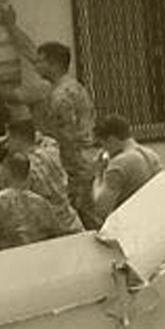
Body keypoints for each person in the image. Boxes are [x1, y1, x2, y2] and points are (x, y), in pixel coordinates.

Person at [32, 41, 100, 227]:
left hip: (76, 166)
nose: (36, 66)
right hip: (87, 160)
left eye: (40, 62)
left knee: (86, 218)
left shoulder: (61, 96)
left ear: (53, 63)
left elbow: (66, 137)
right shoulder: (75, 87)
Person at [0, 151, 78, 254]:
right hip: (39, 262)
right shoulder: (42, 204)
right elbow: (56, 239)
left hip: (8, 264)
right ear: (28, 175)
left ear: (5, 172)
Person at [91, 114, 164, 221]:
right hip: (156, 218)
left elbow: (101, 209)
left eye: (103, 144)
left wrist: (98, 175)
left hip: (132, 224)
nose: (103, 150)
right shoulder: (152, 155)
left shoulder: (119, 164)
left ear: (111, 140)